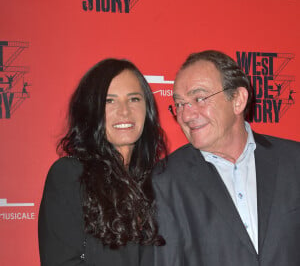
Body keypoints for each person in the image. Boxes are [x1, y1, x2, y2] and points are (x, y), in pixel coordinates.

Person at [153, 50, 300, 266]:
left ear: (238, 100)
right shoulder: (165, 181)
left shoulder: (294, 161)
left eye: (199, 98)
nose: (186, 115)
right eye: (180, 104)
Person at [39, 59, 166, 265]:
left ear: (147, 108)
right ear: (91, 109)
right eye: (109, 101)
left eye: (134, 99)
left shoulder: (159, 179)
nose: (124, 111)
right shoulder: (70, 175)